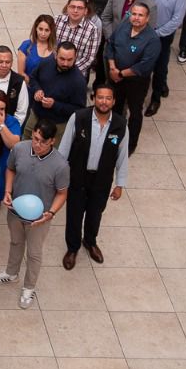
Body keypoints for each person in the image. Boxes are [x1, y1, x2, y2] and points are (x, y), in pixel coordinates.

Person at [0, 121, 70, 308]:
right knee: (16, 242)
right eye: (34, 138)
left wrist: (50, 213)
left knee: (34, 253)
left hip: (39, 218)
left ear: (52, 141)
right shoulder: (19, 149)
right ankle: (11, 273)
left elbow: (62, 192)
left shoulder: (60, 165)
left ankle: (29, 287)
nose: (36, 144)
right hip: (15, 210)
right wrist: (8, 191)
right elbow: (10, 169)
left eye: (42, 141)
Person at [60, 85, 129, 268]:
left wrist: (120, 184)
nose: (103, 102)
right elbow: (64, 149)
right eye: (100, 97)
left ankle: (90, 242)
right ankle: (72, 248)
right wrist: (59, 177)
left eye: (108, 98)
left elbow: (122, 157)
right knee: (74, 214)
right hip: (77, 177)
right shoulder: (78, 118)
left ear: (113, 101)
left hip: (102, 180)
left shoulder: (121, 125)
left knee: (95, 214)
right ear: (93, 98)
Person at [106, 1, 159, 155]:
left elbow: (144, 66)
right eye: (133, 14)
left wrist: (120, 74)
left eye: (140, 15)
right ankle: (113, 138)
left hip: (136, 83)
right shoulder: (123, 27)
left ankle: (130, 144)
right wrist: (112, 67)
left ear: (147, 18)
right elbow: (111, 46)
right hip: (115, 77)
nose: (136, 18)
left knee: (135, 113)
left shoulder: (152, 39)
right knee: (115, 108)